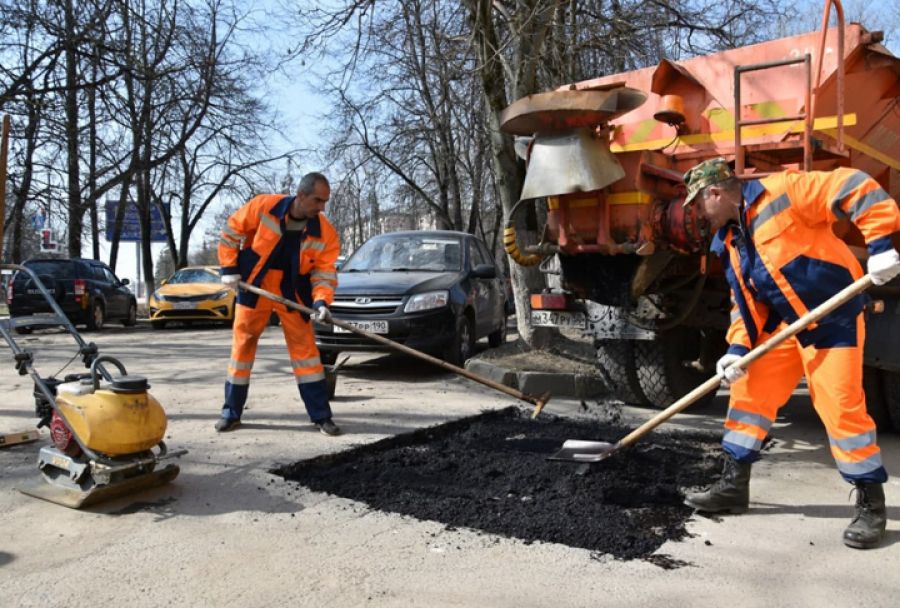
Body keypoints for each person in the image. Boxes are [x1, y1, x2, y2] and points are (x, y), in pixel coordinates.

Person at [680, 157, 900, 549]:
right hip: (786, 326)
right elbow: (745, 304)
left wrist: (881, 244)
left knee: (840, 405)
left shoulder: (784, 192)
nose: (698, 215)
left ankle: (871, 505)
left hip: (833, 317)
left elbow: (855, 185)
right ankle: (733, 485)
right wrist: (736, 349)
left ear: (715, 193)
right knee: (749, 395)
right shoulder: (731, 242)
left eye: (698, 204)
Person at [215, 172, 341, 436]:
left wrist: (321, 302)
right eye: (318, 200)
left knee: (306, 352)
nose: (322, 208)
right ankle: (231, 413)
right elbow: (230, 233)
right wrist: (229, 268)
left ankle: (321, 416)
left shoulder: (324, 232)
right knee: (242, 348)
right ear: (302, 195)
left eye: (325, 202)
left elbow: (325, 273)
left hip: (294, 291)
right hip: (255, 285)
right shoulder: (264, 206)